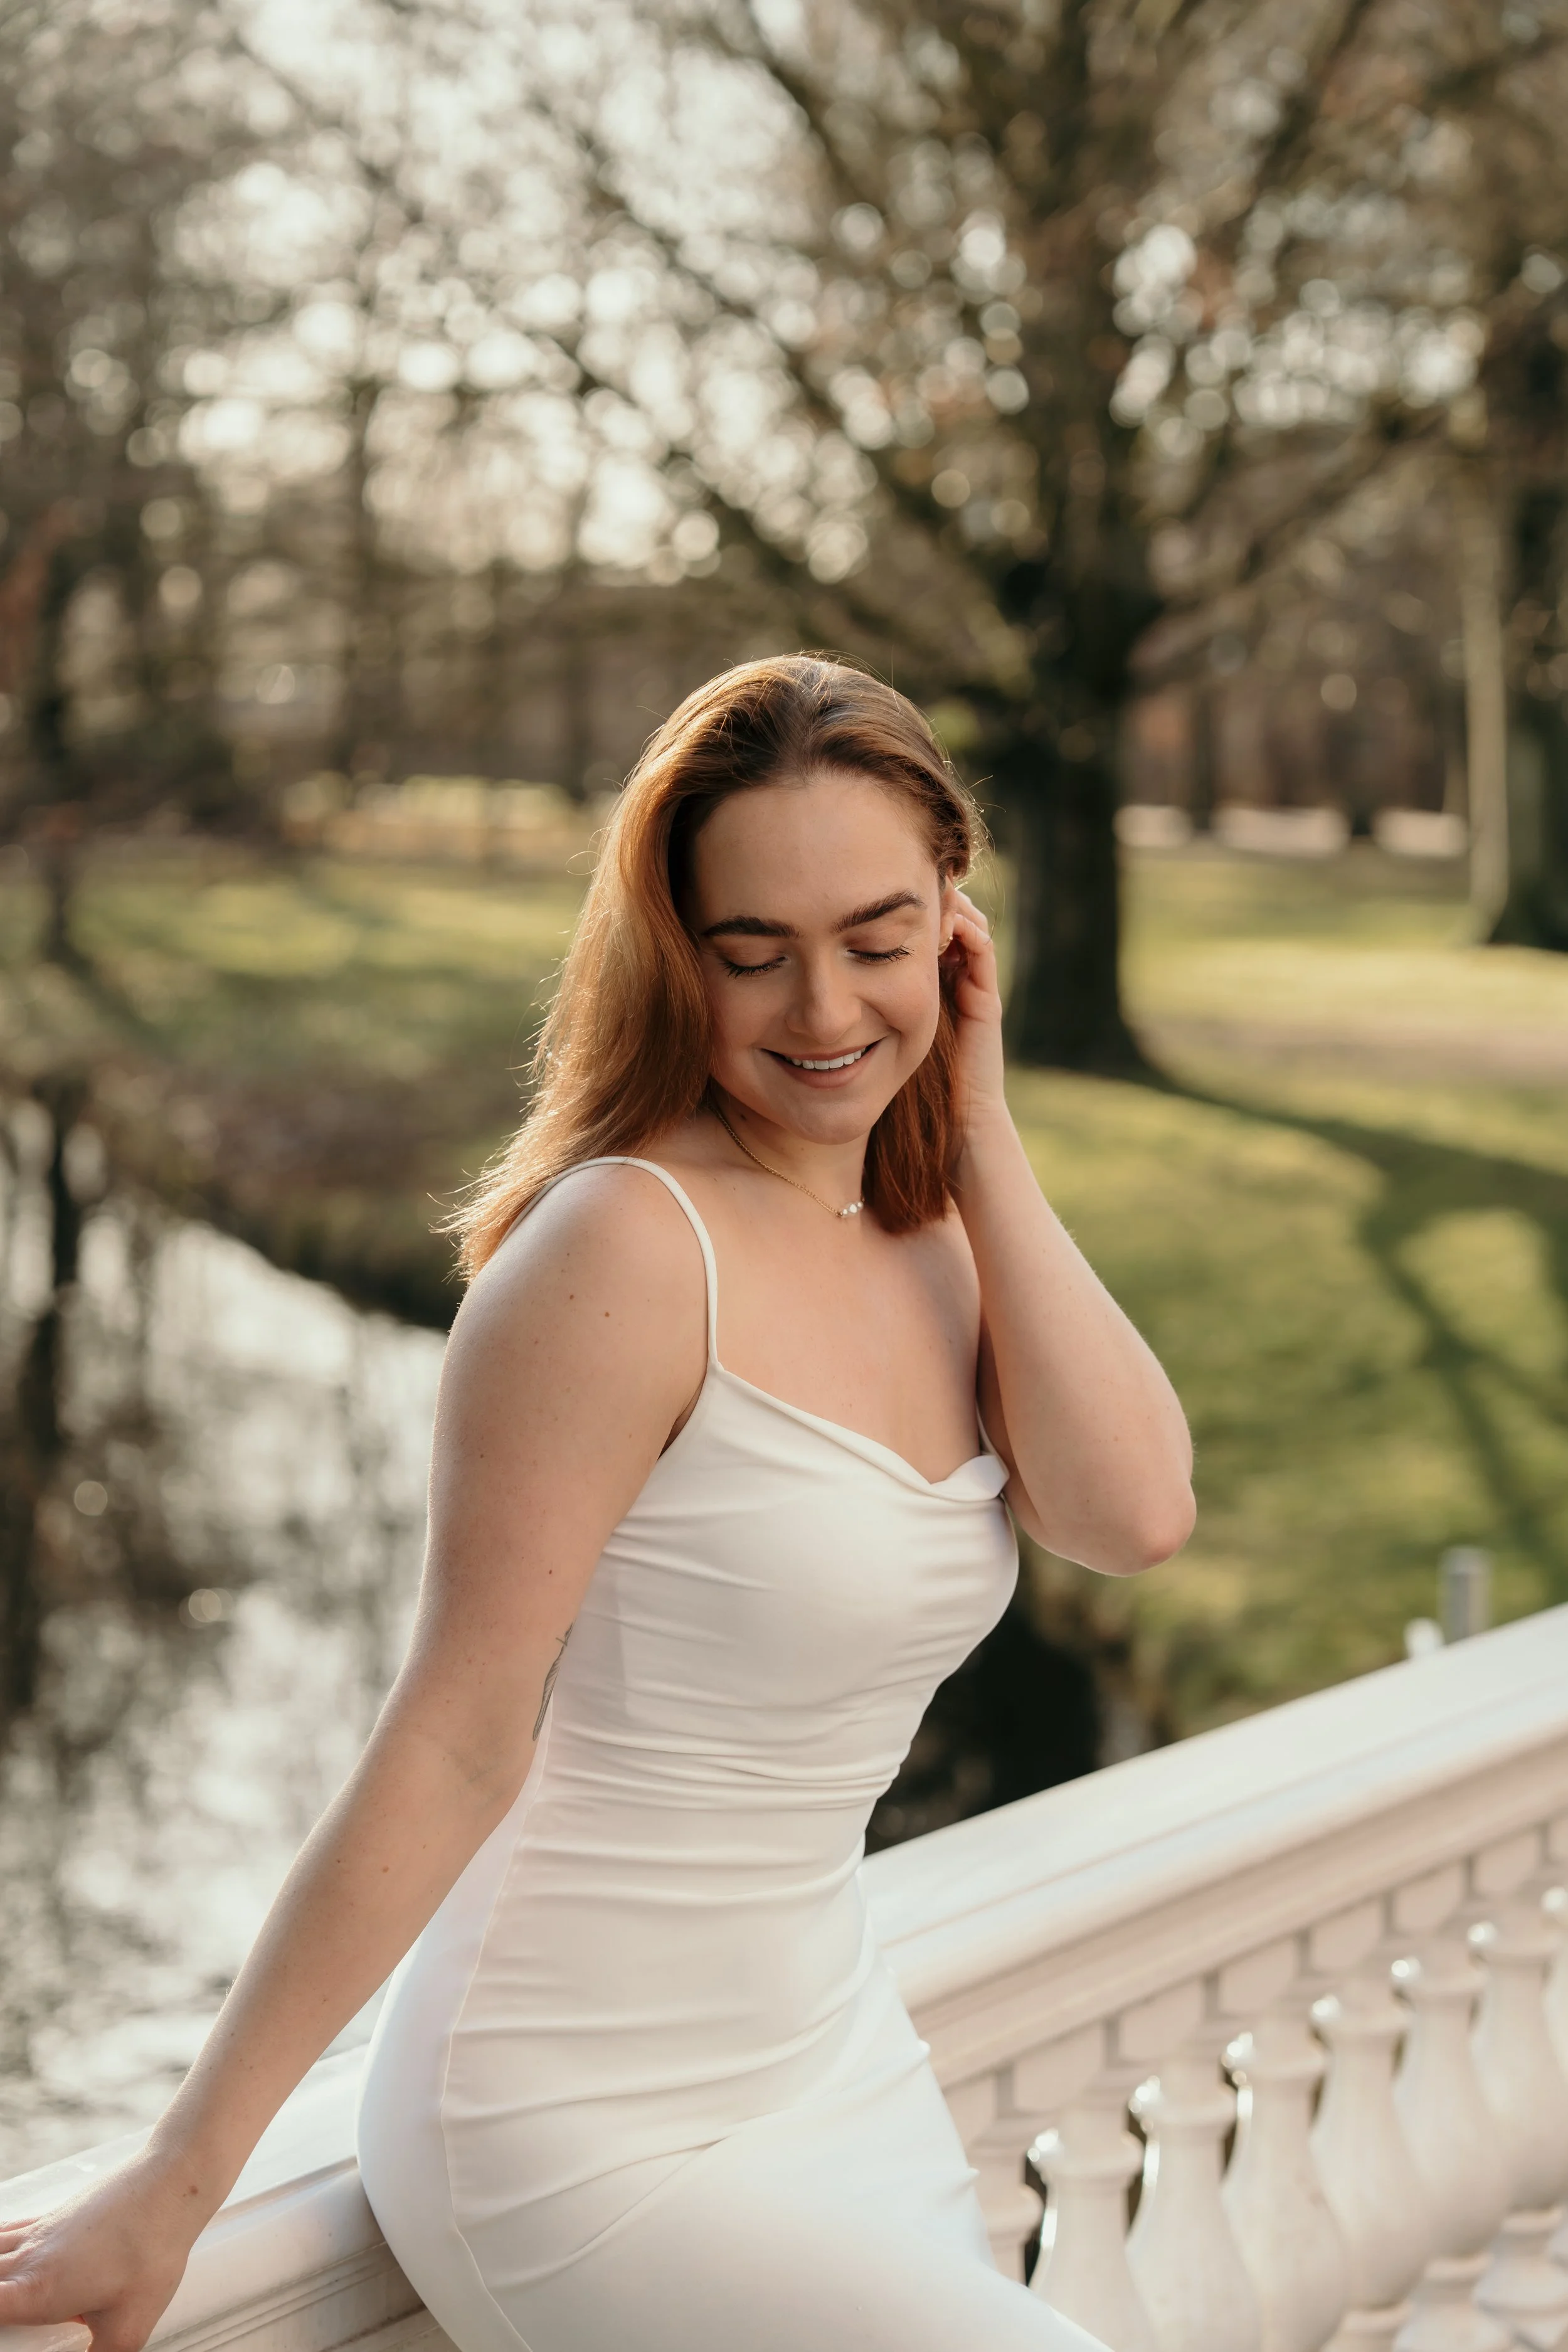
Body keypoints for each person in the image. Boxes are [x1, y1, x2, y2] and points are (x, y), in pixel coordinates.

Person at [0, 655, 1194, 2352]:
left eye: (876, 936)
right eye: (750, 952)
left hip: (833, 2056)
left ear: (955, 915)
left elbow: (1135, 1512)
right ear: (672, 951)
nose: (825, 1010)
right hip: (574, 2114)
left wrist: (979, 1114)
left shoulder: (937, 1235)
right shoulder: (621, 1250)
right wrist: (180, 2175)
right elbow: (452, 1733)